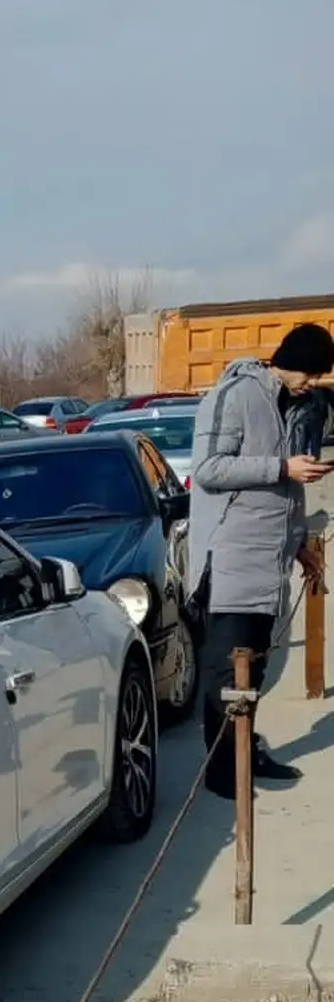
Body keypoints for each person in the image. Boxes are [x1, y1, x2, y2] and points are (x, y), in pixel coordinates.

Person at [189, 322, 334, 797]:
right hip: (230, 561)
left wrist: (299, 547)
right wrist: (281, 467)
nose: (312, 385)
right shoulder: (236, 395)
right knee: (226, 679)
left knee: (254, 674)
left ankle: (245, 753)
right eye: (310, 375)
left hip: (267, 567)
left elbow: (284, 494)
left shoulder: (292, 408)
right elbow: (209, 470)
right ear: (290, 360)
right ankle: (223, 774)